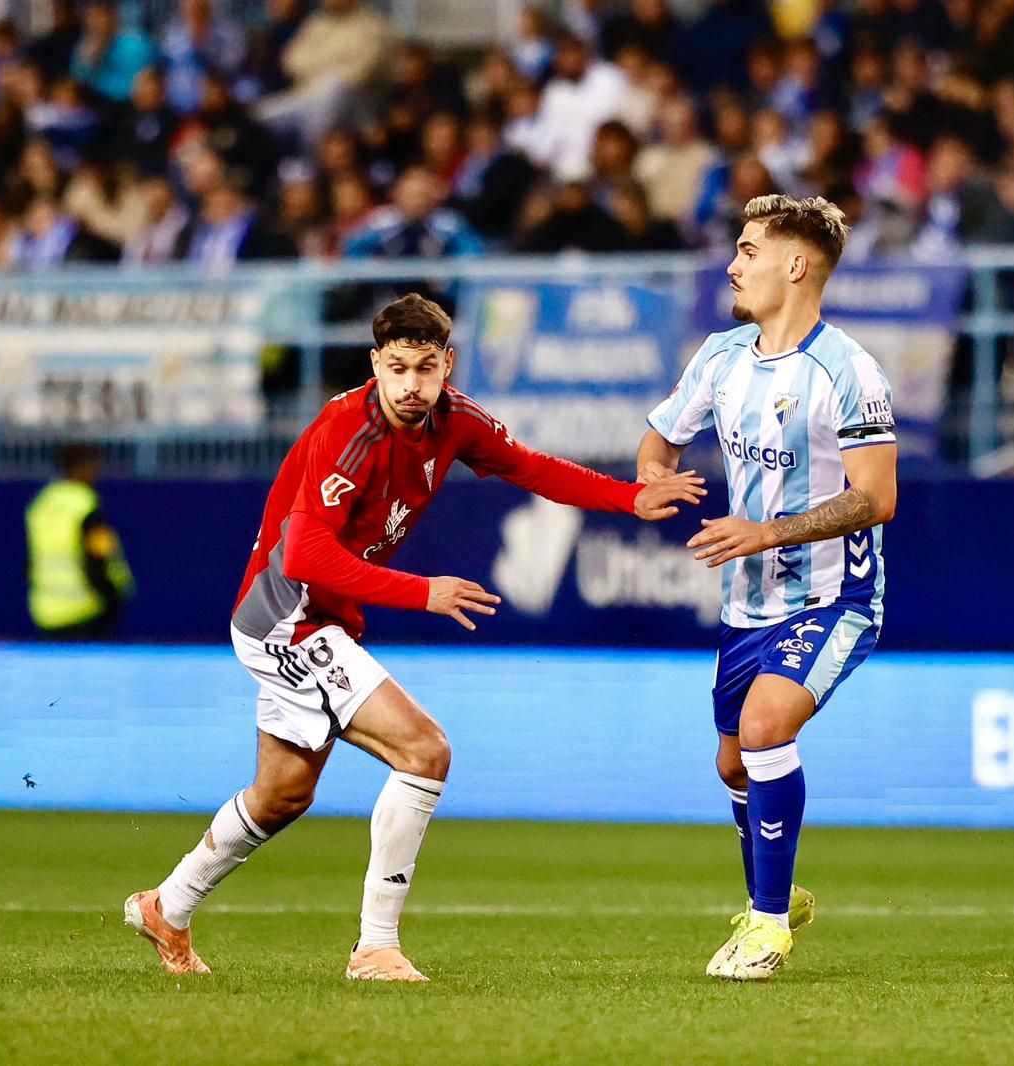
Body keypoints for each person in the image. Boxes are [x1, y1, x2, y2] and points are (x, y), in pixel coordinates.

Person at [124, 294, 705, 981]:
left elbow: (528, 465)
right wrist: (423, 591)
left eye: (425, 368)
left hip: (325, 618)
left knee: (282, 793)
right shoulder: (352, 432)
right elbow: (306, 556)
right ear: (376, 364)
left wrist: (626, 496)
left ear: (446, 365)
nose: (410, 385)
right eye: (396, 368)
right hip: (289, 616)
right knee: (424, 751)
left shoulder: (454, 419)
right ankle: (375, 947)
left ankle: (169, 904)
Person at [635, 194, 897, 980]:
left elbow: (876, 497)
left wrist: (768, 532)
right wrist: (652, 476)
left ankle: (768, 926)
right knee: (733, 765)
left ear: (796, 265)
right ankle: (776, 887)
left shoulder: (848, 370)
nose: (732, 264)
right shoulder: (720, 356)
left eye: (749, 251)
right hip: (746, 606)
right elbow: (661, 438)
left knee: (765, 725)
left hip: (834, 597)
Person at [26, 443, 135, 641]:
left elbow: (30, 558)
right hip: (87, 609)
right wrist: (112, 595)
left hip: (46, 611)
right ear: (85, 466)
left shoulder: (43, 503)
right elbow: (98, 554)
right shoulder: (85, 504)